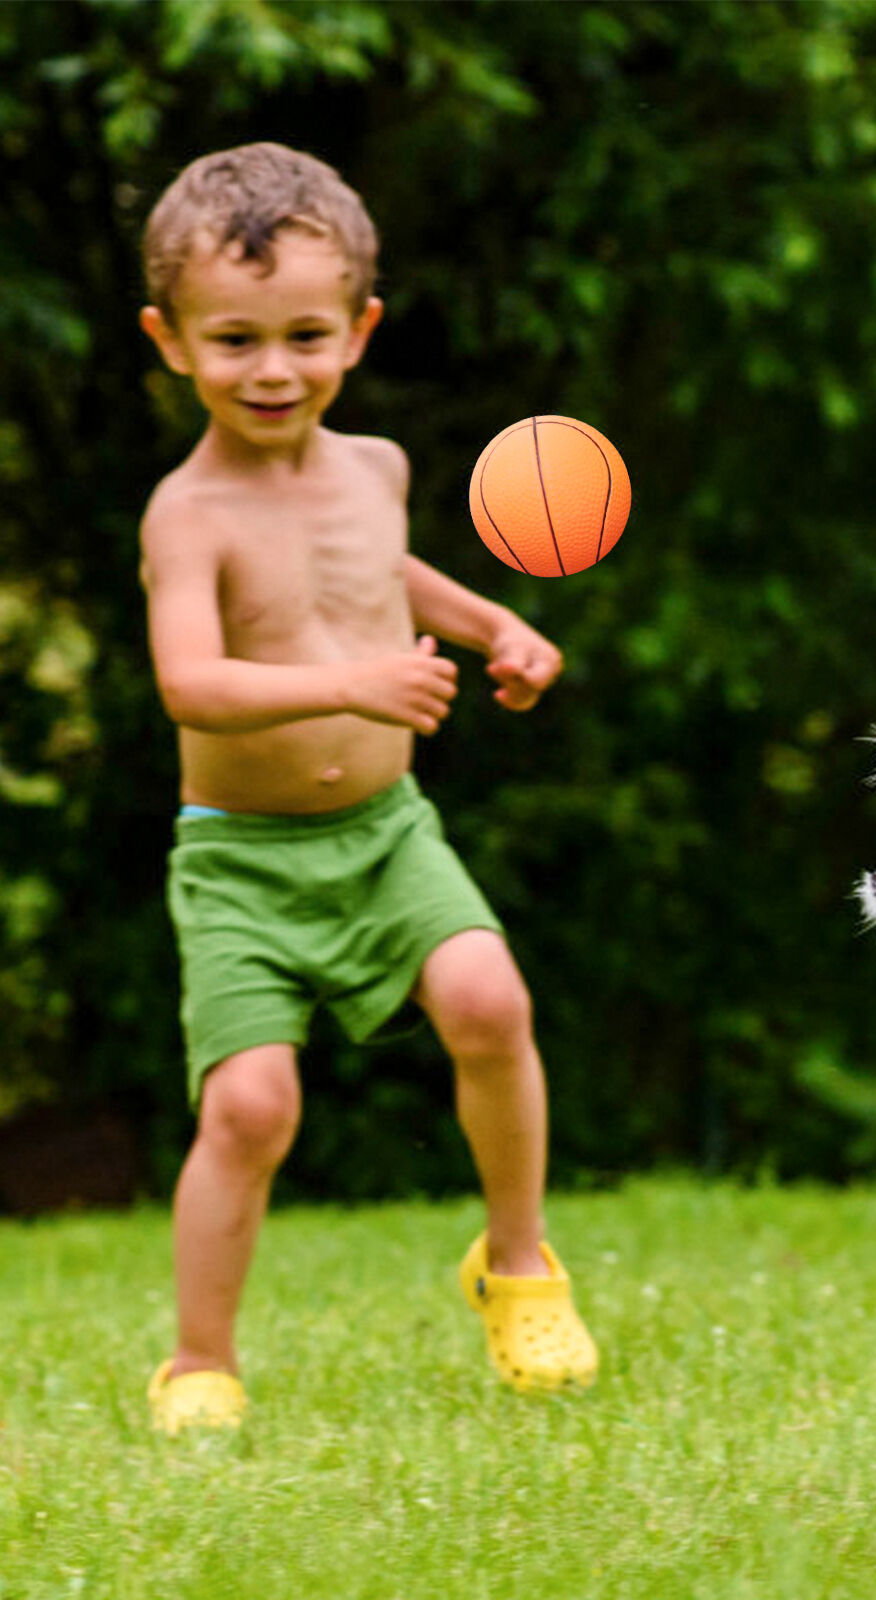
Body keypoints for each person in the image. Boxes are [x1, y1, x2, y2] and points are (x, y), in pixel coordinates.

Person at [136, 142, 597, 1433]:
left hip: (387, 833)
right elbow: (189, 681)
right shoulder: (189, 514)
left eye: (303, 335)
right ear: (171, 340)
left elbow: (388, 578)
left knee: (488, 998)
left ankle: (519, 1267)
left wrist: (491, 624)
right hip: (241, 857)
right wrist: (347, 685)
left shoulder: (376, 468)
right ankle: (200, 1363)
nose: (272, 368)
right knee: (249, 1103)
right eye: (233, 340)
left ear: (360, 329)